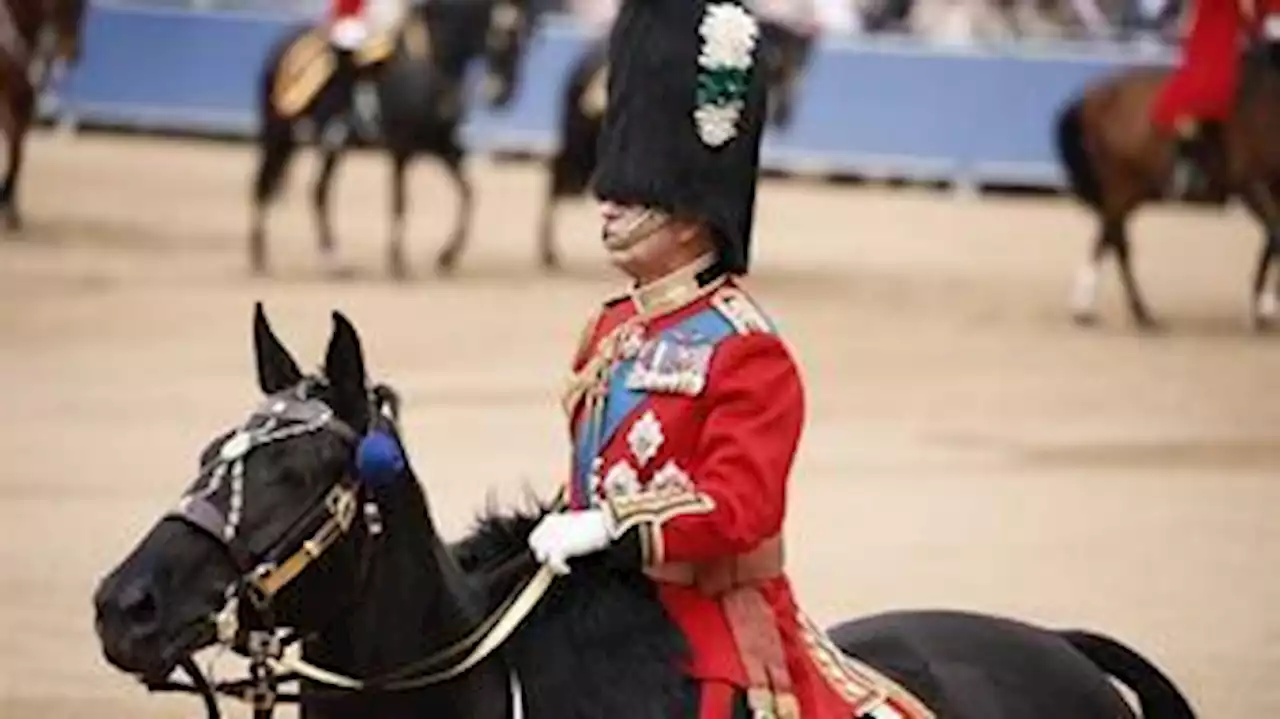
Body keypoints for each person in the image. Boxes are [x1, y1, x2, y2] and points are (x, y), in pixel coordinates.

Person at [525, 0, 930, 716]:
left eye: (632, 191)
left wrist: (611, 527)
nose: (607, 206)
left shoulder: (745, 348)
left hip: (712, 618)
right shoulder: (611, 327)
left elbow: (740, 508)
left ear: (687, 211)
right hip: (603, 607)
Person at [1150, 0, 1255, 197]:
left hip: (1206, 53)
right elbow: (1248, 21)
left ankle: (1190, 167)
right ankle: (1191, 167)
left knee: (1189, 109)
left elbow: (1186, 26)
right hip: (1217, 56)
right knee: (1197, 106)